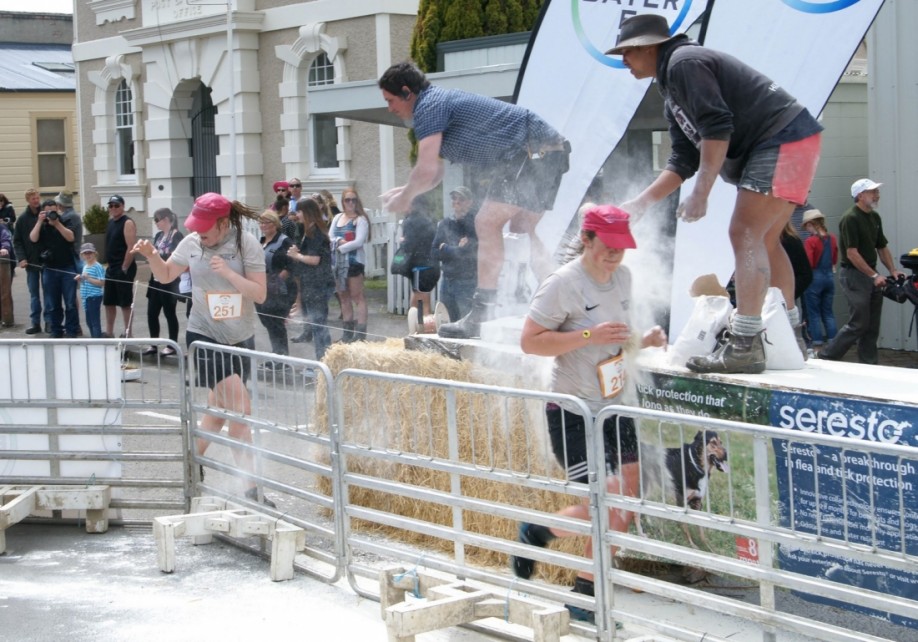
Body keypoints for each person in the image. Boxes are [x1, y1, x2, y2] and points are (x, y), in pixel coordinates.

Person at [611, 14, 822, 374]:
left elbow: (716, 125)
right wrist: (640, 203)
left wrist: (702, 193)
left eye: (627, 52)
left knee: (744, 233)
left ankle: (744, 346)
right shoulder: (673, 88)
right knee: (767, 241)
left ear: (648, 46)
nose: (623, 61)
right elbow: (683, 159)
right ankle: (789, 338)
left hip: (781, 138)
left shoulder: (683, 63)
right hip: (795, 138)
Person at [512, 205, 666, 622]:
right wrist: (586, 335)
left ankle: (585, 597)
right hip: (573, 411)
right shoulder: (562, 284)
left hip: (614, 405)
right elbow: (530, 342)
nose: (615, 254)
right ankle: (537, 531)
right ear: (587, 239)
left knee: (626, 503)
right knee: (604, 503)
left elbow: (615, 340)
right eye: (608, 246)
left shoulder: (624, 278)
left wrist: (644, 340)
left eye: (622, 247)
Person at [378, 61, 570, 339]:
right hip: (544, 152)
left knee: (486, 222)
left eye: (390, 100)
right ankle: (559, 298)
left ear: (407, 92)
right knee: (523, 231)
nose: (389, 108)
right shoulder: (434, 104)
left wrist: (405, 197)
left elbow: (427, 168)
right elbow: (436, 173)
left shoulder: (428, 107)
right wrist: (407, 191)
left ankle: (482, 313)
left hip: (530, 151)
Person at [132, 192, 275, 508]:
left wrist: (228, 273)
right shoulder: (192, 243)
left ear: (223, 223)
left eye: (205, 227)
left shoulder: (246, 244)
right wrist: (152, 255)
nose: (198, 232)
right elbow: (165, 275)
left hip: (241, 338)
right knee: (241, 411)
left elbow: (260, 295)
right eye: (195, 226)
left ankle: (191, 461)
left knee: (217, 414)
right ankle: (251, 490)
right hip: (204, 335)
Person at [817, 179, 902, 364]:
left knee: (872, 326)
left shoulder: (874, 217)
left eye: (877, 191)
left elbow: (882, 247)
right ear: (860, 195)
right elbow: (852, 253)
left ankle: (869, 364)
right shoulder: (851, 218)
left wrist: (893, 270)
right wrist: (874, 275)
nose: (877, 195)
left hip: (871, 274)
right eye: (873, 192)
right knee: (859, 323)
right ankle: (826, 356)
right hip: (854, 275)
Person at [287, 198, 336, 361]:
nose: (297, 214)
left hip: (318, 285)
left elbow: (315, 260)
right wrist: (298, 252)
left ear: (307, 212)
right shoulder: (308, 231)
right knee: (316, 325)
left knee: (319, 326)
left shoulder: (316, 232)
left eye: (299, 211)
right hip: (311, 284)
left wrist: (297, 255)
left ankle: (324, 362)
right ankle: (322, 362)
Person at [29, 197, 80, 338]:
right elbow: (33, 238)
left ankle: (72, 330)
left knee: (70, 302)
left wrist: (57, 223)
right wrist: (39, 221)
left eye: (53, 211)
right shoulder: (42, 225)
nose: (51, 214)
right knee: (52, 303)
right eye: (48, 212)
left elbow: (71, 237)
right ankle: (56, 330)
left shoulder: (65, 221)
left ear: (57, 209)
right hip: (49, 269)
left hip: (67, 267)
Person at [255, 210, 296, 367]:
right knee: (267, 322)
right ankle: (277, 354)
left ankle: (281, 359)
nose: (263, 225)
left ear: (275, 224)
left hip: (280, 290)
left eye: (267, 222)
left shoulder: (285, 241)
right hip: (262, 289)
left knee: (276, 323)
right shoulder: (261, 241)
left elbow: (292, 264)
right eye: (261, 222)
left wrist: (277, 280)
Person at [431, 186, 478, 322]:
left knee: (466, 321)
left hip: (466, 281)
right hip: (447, 281)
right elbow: (434, 252)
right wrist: (455, 249)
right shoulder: (445, 223)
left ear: (469, 202)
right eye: (454, 198)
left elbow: (468, 252)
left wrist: (445, 248)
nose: (456, 201)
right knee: (446, 321)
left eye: (461, 199)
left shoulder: (475, 223)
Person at [331, 187, 371, 342]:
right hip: (338, 263)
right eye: (347, 200)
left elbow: (359, 242)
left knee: (357, 296)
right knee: (343, 296)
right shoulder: (337, 217)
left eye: (354, 200)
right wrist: (338, 241)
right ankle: (347, 335)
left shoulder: (361, 220)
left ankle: (360, 334)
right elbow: (330, 237)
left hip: (354, 262)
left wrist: (340, 247)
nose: (351, 203)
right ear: (342, 202)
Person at [143, 208, 183, 356]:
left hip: (169, 280)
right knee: (151, 312)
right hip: (155, 279)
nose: (156, 223)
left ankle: (171, 345)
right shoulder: (159, 236)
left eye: (157, 220)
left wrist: (158, 259)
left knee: (169, 313)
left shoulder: (177, 235)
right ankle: (153, 344)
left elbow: (175, 257)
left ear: (166, 219)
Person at [801, 208, 838, 351]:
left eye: (807, 227)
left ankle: (817, 346)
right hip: (829, 277)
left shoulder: (810, 241)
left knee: (814, 314)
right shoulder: (832, 238)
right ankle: (834, 345)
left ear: (811, 224)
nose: (807, 230)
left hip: (815, 278)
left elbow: (808, 263)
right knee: (828, 313)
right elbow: (834, 259)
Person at [399, 194, 440, 315]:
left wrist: (403, 241)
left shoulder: (411, 221)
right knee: (423, 298)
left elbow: (409, 246)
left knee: (419, 302)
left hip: (420, 267)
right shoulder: (431, 219)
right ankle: (421, 324)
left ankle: (420, 325)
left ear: (412, 205)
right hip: (433, 266)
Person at [13, 189, 47, 334]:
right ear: (28, 200)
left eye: (37, 198)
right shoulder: (22, 219)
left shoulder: (45, 215)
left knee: (48, 293)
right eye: (33, 198)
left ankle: (49, 322)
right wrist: (21, 258)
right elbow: (17, 241)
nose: (36, 200)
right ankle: (35, 323)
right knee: (34, 295)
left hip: (46, 261)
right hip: (30, 261)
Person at [103, 194, 137, 338]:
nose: (113, 208)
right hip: (111, 267)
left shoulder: (127, 222)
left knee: (125, 302)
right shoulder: (111, 222)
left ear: (122, 206)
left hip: (123, 267)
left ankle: (128, 333)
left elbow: (131, 247)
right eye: (111, 205)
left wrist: (124, 267)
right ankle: (109, 332)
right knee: (109, 301)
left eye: (116, 205)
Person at [75, 242, 105, 338]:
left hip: (94, 297)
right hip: (86, 298)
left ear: (94, 253)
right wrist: (80, 279)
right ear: (82, 255)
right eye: (85, 253)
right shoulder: (85, 266)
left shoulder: (97, 266)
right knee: (89, 322)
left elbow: (102, 282)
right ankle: (94, 339)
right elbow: (85, 282)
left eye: (90, 252)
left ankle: (97, 340)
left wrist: (88, 278)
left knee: (94, 322)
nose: (88, 255)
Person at [0, 220, 13, 328]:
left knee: (4, 292)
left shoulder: (2, 227)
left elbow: (6, 239)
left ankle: (6, 318)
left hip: (3, 263)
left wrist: (4, 248)